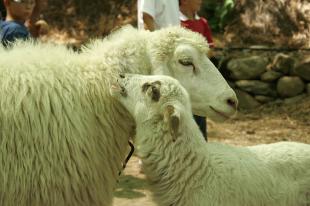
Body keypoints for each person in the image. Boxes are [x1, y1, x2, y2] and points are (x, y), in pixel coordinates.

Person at [179, 0, 216, 141]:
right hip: (182, 80)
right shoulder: (175, 22)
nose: (200, 1)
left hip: (199, 81)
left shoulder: (202, 22)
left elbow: (211, 50)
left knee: (200, 115)